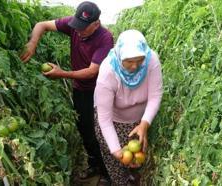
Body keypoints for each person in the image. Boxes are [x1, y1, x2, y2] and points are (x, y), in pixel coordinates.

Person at [20, 1, 113, 185]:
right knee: (85, 129)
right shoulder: (75, 25)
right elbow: (42, 25)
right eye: (77, 26)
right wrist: (32, 43)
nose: (78, 31)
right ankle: (94, 165)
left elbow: (92, 71)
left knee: (101, 131)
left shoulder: (105, 38)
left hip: (100, 90)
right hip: (80, 90)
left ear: (96, 24)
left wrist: (61, 73)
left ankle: (108, 172)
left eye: (83, 28)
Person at [94, 30, 163, 185]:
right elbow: (104, 119)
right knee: (117, 167)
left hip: (139, 123)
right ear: (119, 56)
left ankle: (133, 178)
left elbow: (155, 96)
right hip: (113, 124)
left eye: (139, 60)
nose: (135, 66)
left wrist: (145, 123)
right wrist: (116, 150)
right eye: (129, 61)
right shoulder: (108, 72)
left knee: (137, 161)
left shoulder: (151, 61)